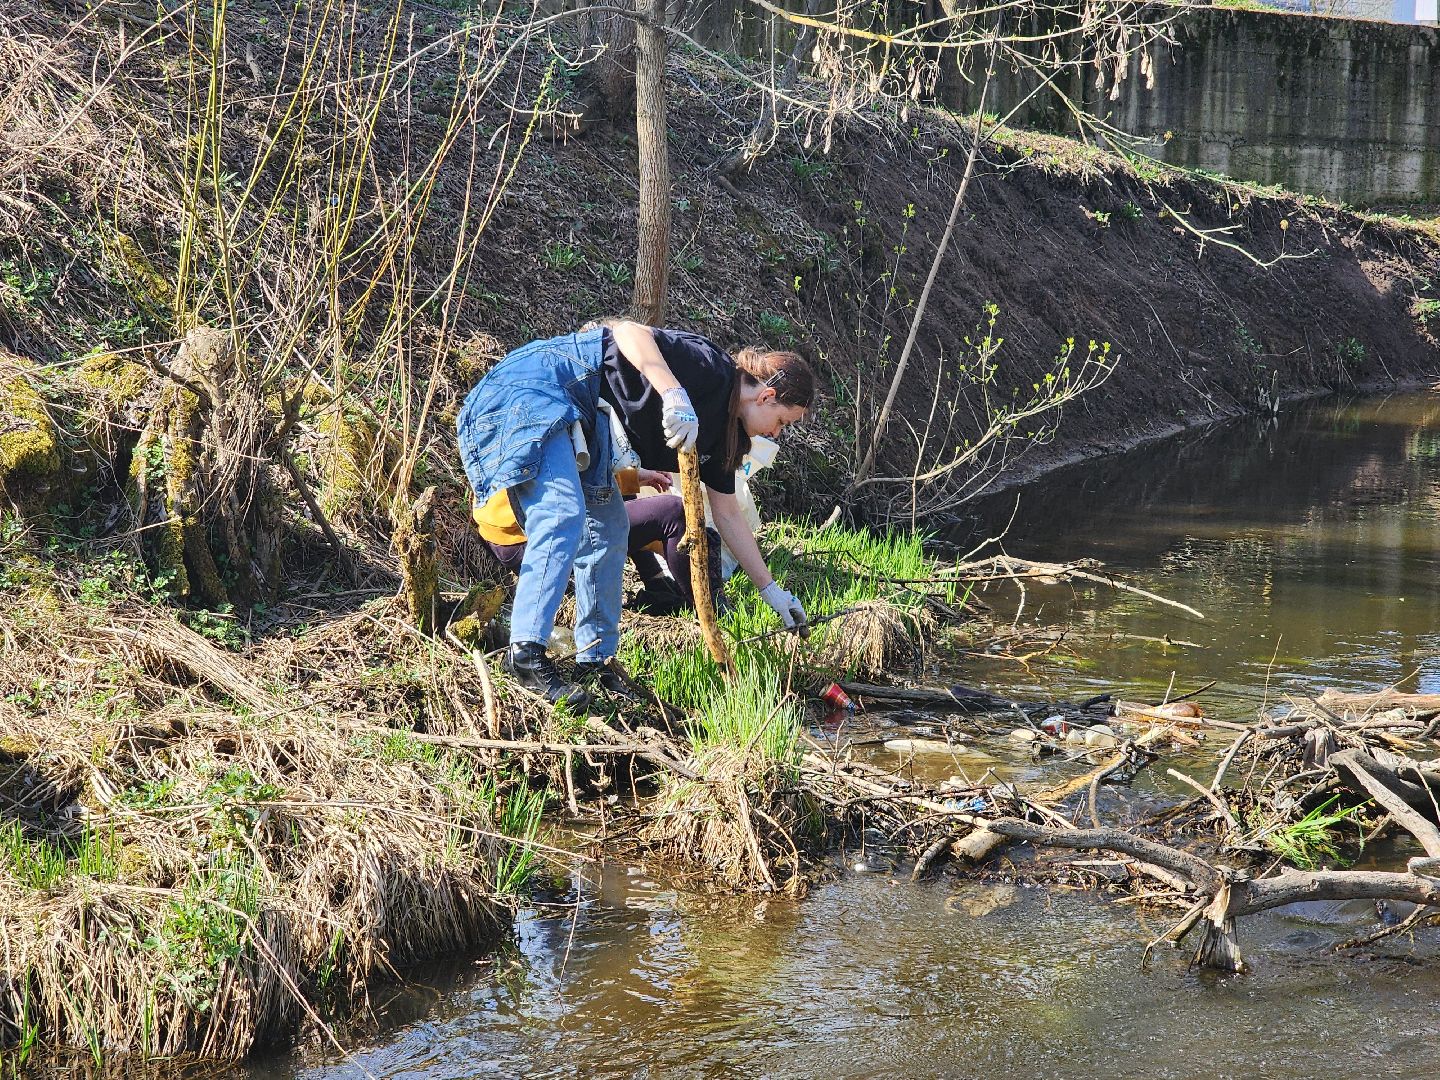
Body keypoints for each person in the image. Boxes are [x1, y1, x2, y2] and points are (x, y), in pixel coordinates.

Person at [455, 320, 814, 708]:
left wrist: (771, 591)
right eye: (782, 422)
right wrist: (673, 393)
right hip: (540, 388)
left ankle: (595, 658)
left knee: (608, 530)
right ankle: (525, 655)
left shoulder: (726, 436)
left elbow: (727, 514)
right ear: (767, 396)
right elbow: (627, 332)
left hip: (587, 420)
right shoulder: (712, 370)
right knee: (561, 515)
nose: (776, 434)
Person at [473, 467, 722, 615]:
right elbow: (584, 478)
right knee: (671, 511)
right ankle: (707, 609)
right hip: (532, 540)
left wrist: (633, 477)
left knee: (624, 496)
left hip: (506, 533)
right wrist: (631, 477)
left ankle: (657, 583)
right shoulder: (564, 404)